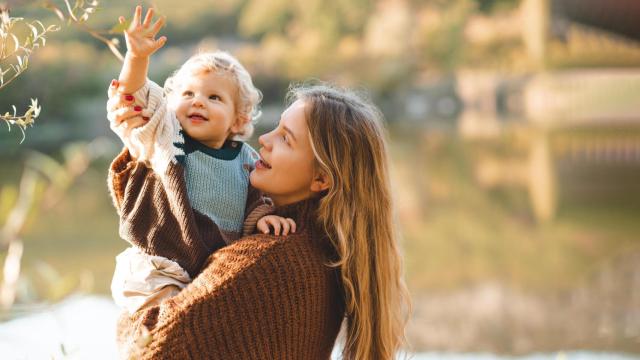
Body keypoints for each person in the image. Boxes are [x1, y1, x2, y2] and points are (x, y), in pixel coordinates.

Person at [107, 6, 293, 315]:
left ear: (238, 120)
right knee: (169, 326)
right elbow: (135, 97)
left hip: (206, 271)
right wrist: (137, 59)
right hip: (157, 267)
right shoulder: (166, 137)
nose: (198, 101)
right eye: (188, 93)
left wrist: (262, 219)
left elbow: (255, 201)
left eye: (214, 97)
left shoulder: (246, 159)